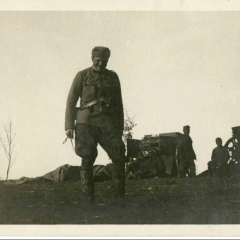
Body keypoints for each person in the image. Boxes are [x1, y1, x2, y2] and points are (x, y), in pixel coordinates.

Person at [65, 46, 125, 204]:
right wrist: (69, 125)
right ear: (92, 58)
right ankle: (87, 196)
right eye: (98, 60)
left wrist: (120, 127)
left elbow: (118, 104)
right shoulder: (82, 76)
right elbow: (71, 100)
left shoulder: (113, 77)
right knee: (87, 157)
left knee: (119, 153)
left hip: (107, 122)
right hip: (86, 122)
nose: (100, 63)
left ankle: (119, 195)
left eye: (104, 61)